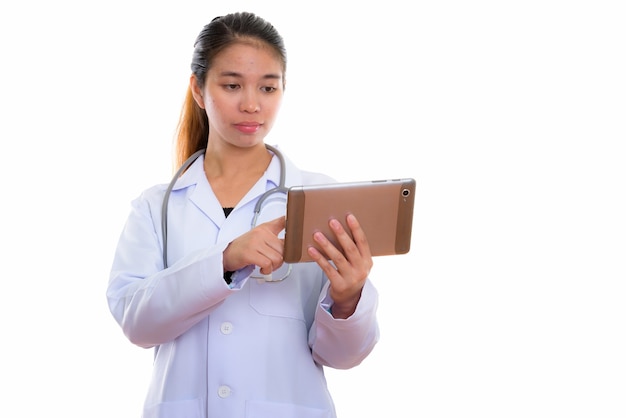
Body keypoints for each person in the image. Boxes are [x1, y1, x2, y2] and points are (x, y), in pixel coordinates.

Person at [107, 11, 379, 418]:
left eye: (268, 88)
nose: (252, 105)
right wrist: (225, 260)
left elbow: (343, 357)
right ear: (199, 90)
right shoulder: (156, 206)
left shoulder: (321, 196)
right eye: (232, 85)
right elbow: (137, 324)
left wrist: (347, 299)